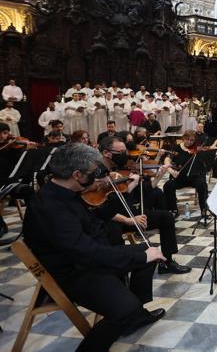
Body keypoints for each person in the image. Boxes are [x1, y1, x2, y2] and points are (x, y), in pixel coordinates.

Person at [22, 143, 167, 352]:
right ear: (77, 174)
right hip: (72, 272)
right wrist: (137, 257)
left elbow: (93, 226)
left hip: (86, 259)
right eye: (94, 173)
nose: (98, 177)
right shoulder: (51, 206)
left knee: (149, 253)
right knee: (126, 307)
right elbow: (85, 252)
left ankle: (136, 316)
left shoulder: (69, 192)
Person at [98, 137, 190, 273]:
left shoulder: (119, 169)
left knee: (166, 217)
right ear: (107, 153)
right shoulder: (97, 173)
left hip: (130, 212)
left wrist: (159, 174)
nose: (126, 154)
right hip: (115, 218)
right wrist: (129, 220)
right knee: (111, 230)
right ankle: (119, 272)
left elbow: (145, 189)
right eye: (122, 152)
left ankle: (167, 263)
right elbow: (102, 209)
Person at [163, 130, 209, 216]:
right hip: (179, 178)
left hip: (194, 177)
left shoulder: (196, 149)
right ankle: (173, 210)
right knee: (168, 185)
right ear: (183, 138)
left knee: (202, 184)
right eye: (187, 139)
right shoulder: (176, 148)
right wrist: (171, 171)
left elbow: (204, 163)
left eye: (192, 140)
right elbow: (167, 159)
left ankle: (204, 209)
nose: (189, 142)